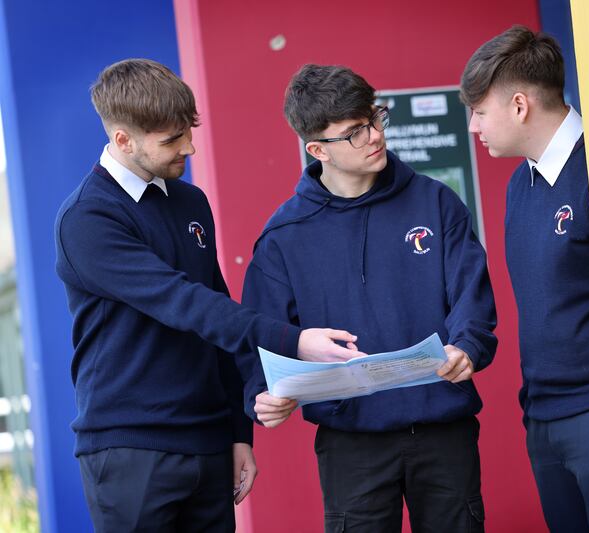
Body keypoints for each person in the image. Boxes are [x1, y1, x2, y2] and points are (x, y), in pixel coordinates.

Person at [54, 58, 361, 532]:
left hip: (208, 444)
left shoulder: (190, 201)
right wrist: (295, 341)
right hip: (131, 451)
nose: (190, 147)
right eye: (172, 140)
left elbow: (218, 312)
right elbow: (183, 304)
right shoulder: (87, 219)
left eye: (188, 132)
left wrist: (239, 433)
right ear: (122, 140)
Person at [235, 64, 497, 533]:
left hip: (443, 430)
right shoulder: (284, 236)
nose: (375, 135)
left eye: (375, 118)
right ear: (317, 150)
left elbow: (471, 296)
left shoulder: (437, 203)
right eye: (355, 132)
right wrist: (259, 391)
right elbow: (261, 331)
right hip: (350, 442)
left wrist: (468, 346)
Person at [460, 26, 589, 532]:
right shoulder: (520, 185)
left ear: (518, 106)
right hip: (543, 419)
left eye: (480, 111)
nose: (473, 126)